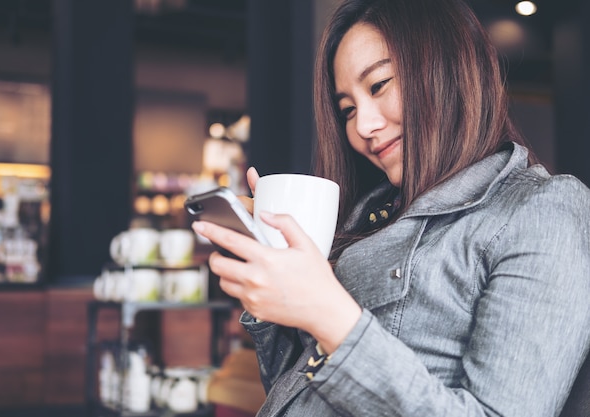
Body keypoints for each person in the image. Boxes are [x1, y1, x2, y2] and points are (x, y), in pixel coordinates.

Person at [191, 0, 590, 415]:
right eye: (347, 109)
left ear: (447, 69)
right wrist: (274, 284)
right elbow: (303, 394)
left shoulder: (545, 209)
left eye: (379, 85)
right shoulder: (370, 215)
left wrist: (328, 313)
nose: (363, 126)